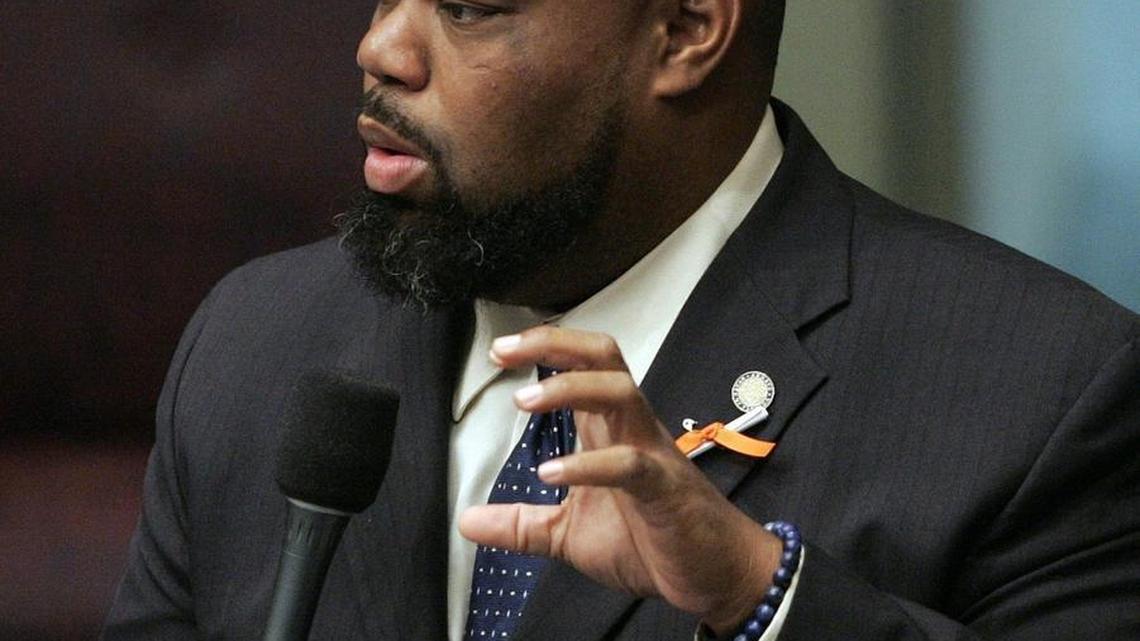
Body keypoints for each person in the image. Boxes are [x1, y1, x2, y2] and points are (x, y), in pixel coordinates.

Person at [103, 1, 1139, 640]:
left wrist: (758, 597)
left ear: (687, 28)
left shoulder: (1043, 390)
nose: (382, 46)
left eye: (468, 5)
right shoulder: (257, 342)